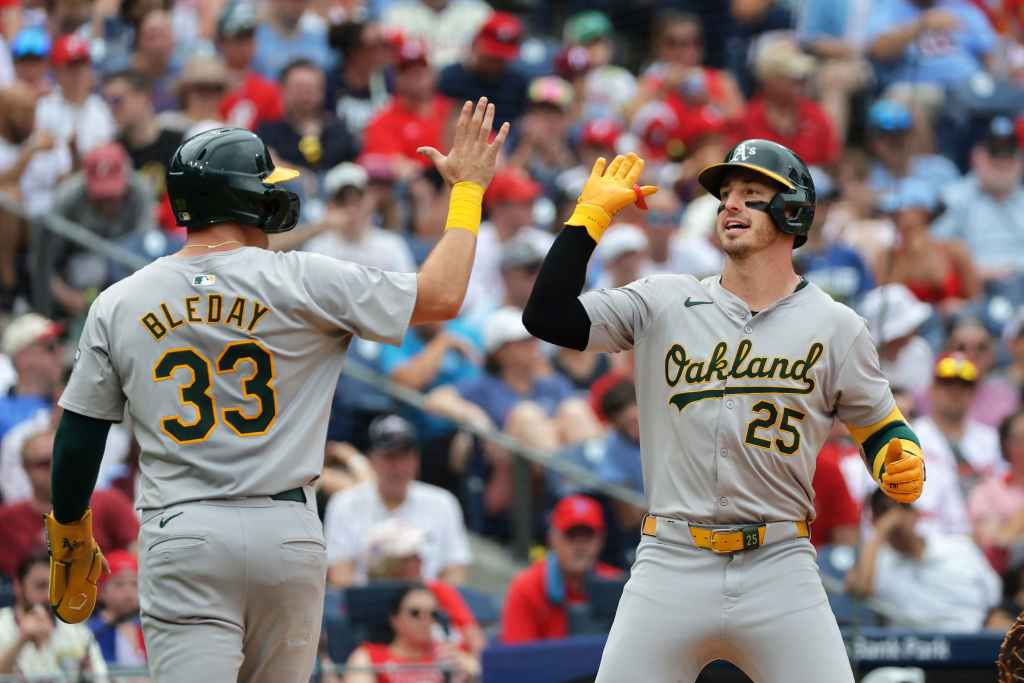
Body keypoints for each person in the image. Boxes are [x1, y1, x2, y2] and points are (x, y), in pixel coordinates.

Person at [43, 98, 509, 683]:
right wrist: (467, 192)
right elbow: (442, 293)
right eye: (264, 186)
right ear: (241, 197)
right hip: (285, 531)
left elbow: (80, 433)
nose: (275, 196)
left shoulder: (121, 298)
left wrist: (68, 528)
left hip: (183, 531)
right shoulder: (305, 278)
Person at [522, 140, 926, 681]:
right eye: (725, 196)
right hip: (670, 557)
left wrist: (898, 455)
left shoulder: (837, 326)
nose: (729, 205)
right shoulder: (662, 299)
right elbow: (547, 315)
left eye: (751, 194)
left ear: (794, 212)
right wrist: (587, 220)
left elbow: (879, 426)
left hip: (779, 563)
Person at [324, 413, 472, 590]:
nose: (399, 467)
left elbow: (456, 577)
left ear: (417, 458)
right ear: (373, 459)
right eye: (390, 457)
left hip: (426, 607)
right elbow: (340, 579)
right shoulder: (344, 503)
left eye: (406, 456)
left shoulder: (443, 502)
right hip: (365, 608)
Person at [846, 488, 1000, 631]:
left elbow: (994, 596)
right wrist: (880, 532)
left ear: (916, 513)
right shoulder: (876, 562)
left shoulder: (959, 547)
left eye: (903, 506)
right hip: (914, 650)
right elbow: (859, 588)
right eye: (884, 510)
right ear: (874, 520)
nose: (896, 517)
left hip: (973, 640)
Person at [0, 426, 138, 580]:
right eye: (45, 463)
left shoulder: (108, 501)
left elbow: (137, 550)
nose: (55, 467)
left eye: (61, 458)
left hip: (104, 599)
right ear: (26, 468)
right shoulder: (7, 519)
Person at [499, 494, 624, 643]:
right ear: (552, 539)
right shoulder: (527, 587)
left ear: (601, 540)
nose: (580, 545)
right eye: (571, 534)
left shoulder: (619, 585)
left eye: (588, 535)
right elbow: (518, 658)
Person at [342, 583, 481, 683]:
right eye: (415, 613)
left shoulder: (449, 654)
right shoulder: (369, 655)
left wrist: (471, 674)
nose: (426, 619)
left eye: (433, 614)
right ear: (395, 619)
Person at [0, 554, 108, 679]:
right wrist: (21, 641)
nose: (49, 596)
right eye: (41, 585)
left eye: (56, 587)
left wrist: (88, 677)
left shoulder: (79, 633)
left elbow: (102, 679)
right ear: (18, 587)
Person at [86, 550, 146, 669]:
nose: (128, 591)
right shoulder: (92, 630)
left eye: (134, 583)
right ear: (101, 590)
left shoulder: (145, 627)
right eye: (119, 584)